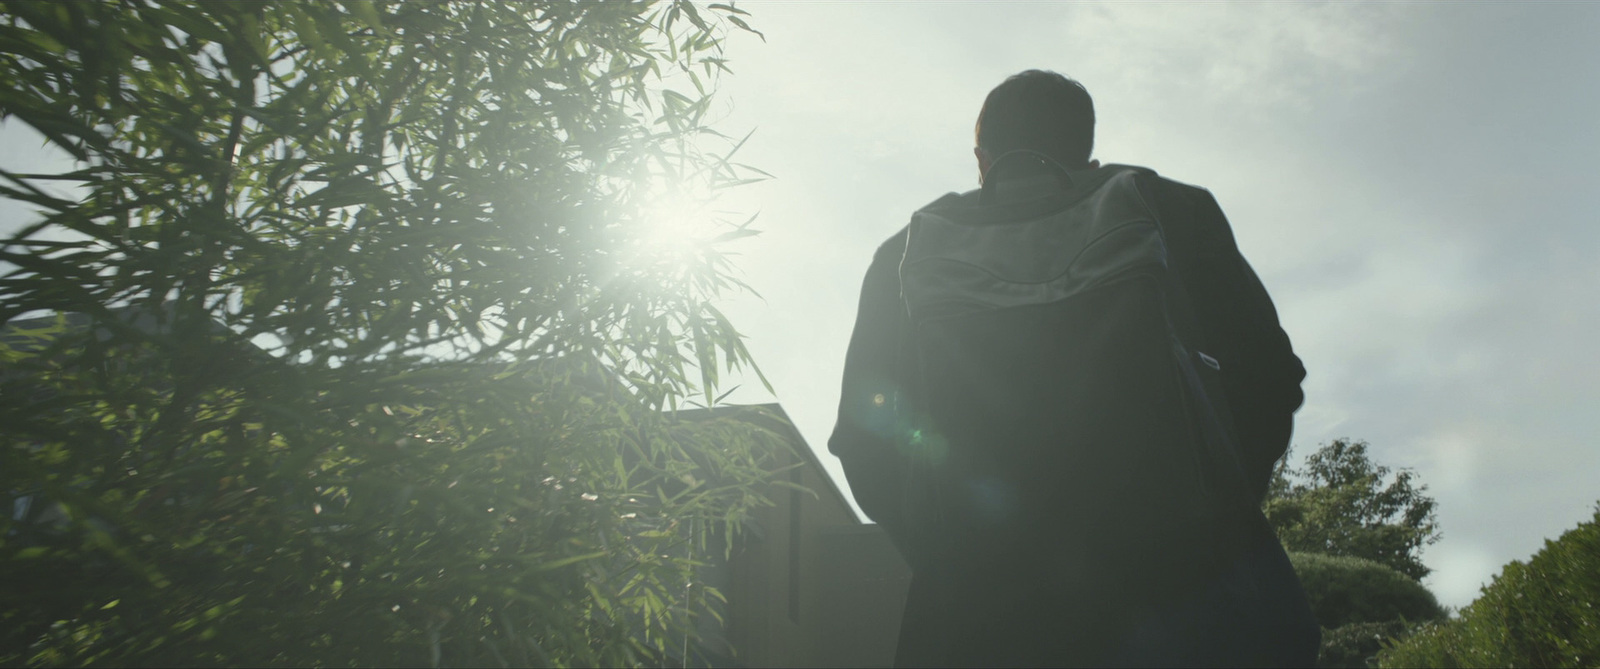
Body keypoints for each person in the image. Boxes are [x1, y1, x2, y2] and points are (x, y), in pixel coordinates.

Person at [827, 70, 1320, 667]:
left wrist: (944, 553)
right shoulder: (1168, 207)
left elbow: (865, 434)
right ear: (1088, 153)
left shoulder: (906, 251)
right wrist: (1222, 520)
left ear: (981, 159)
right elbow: (1269, 378)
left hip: (981, 613)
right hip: (1187, 593)